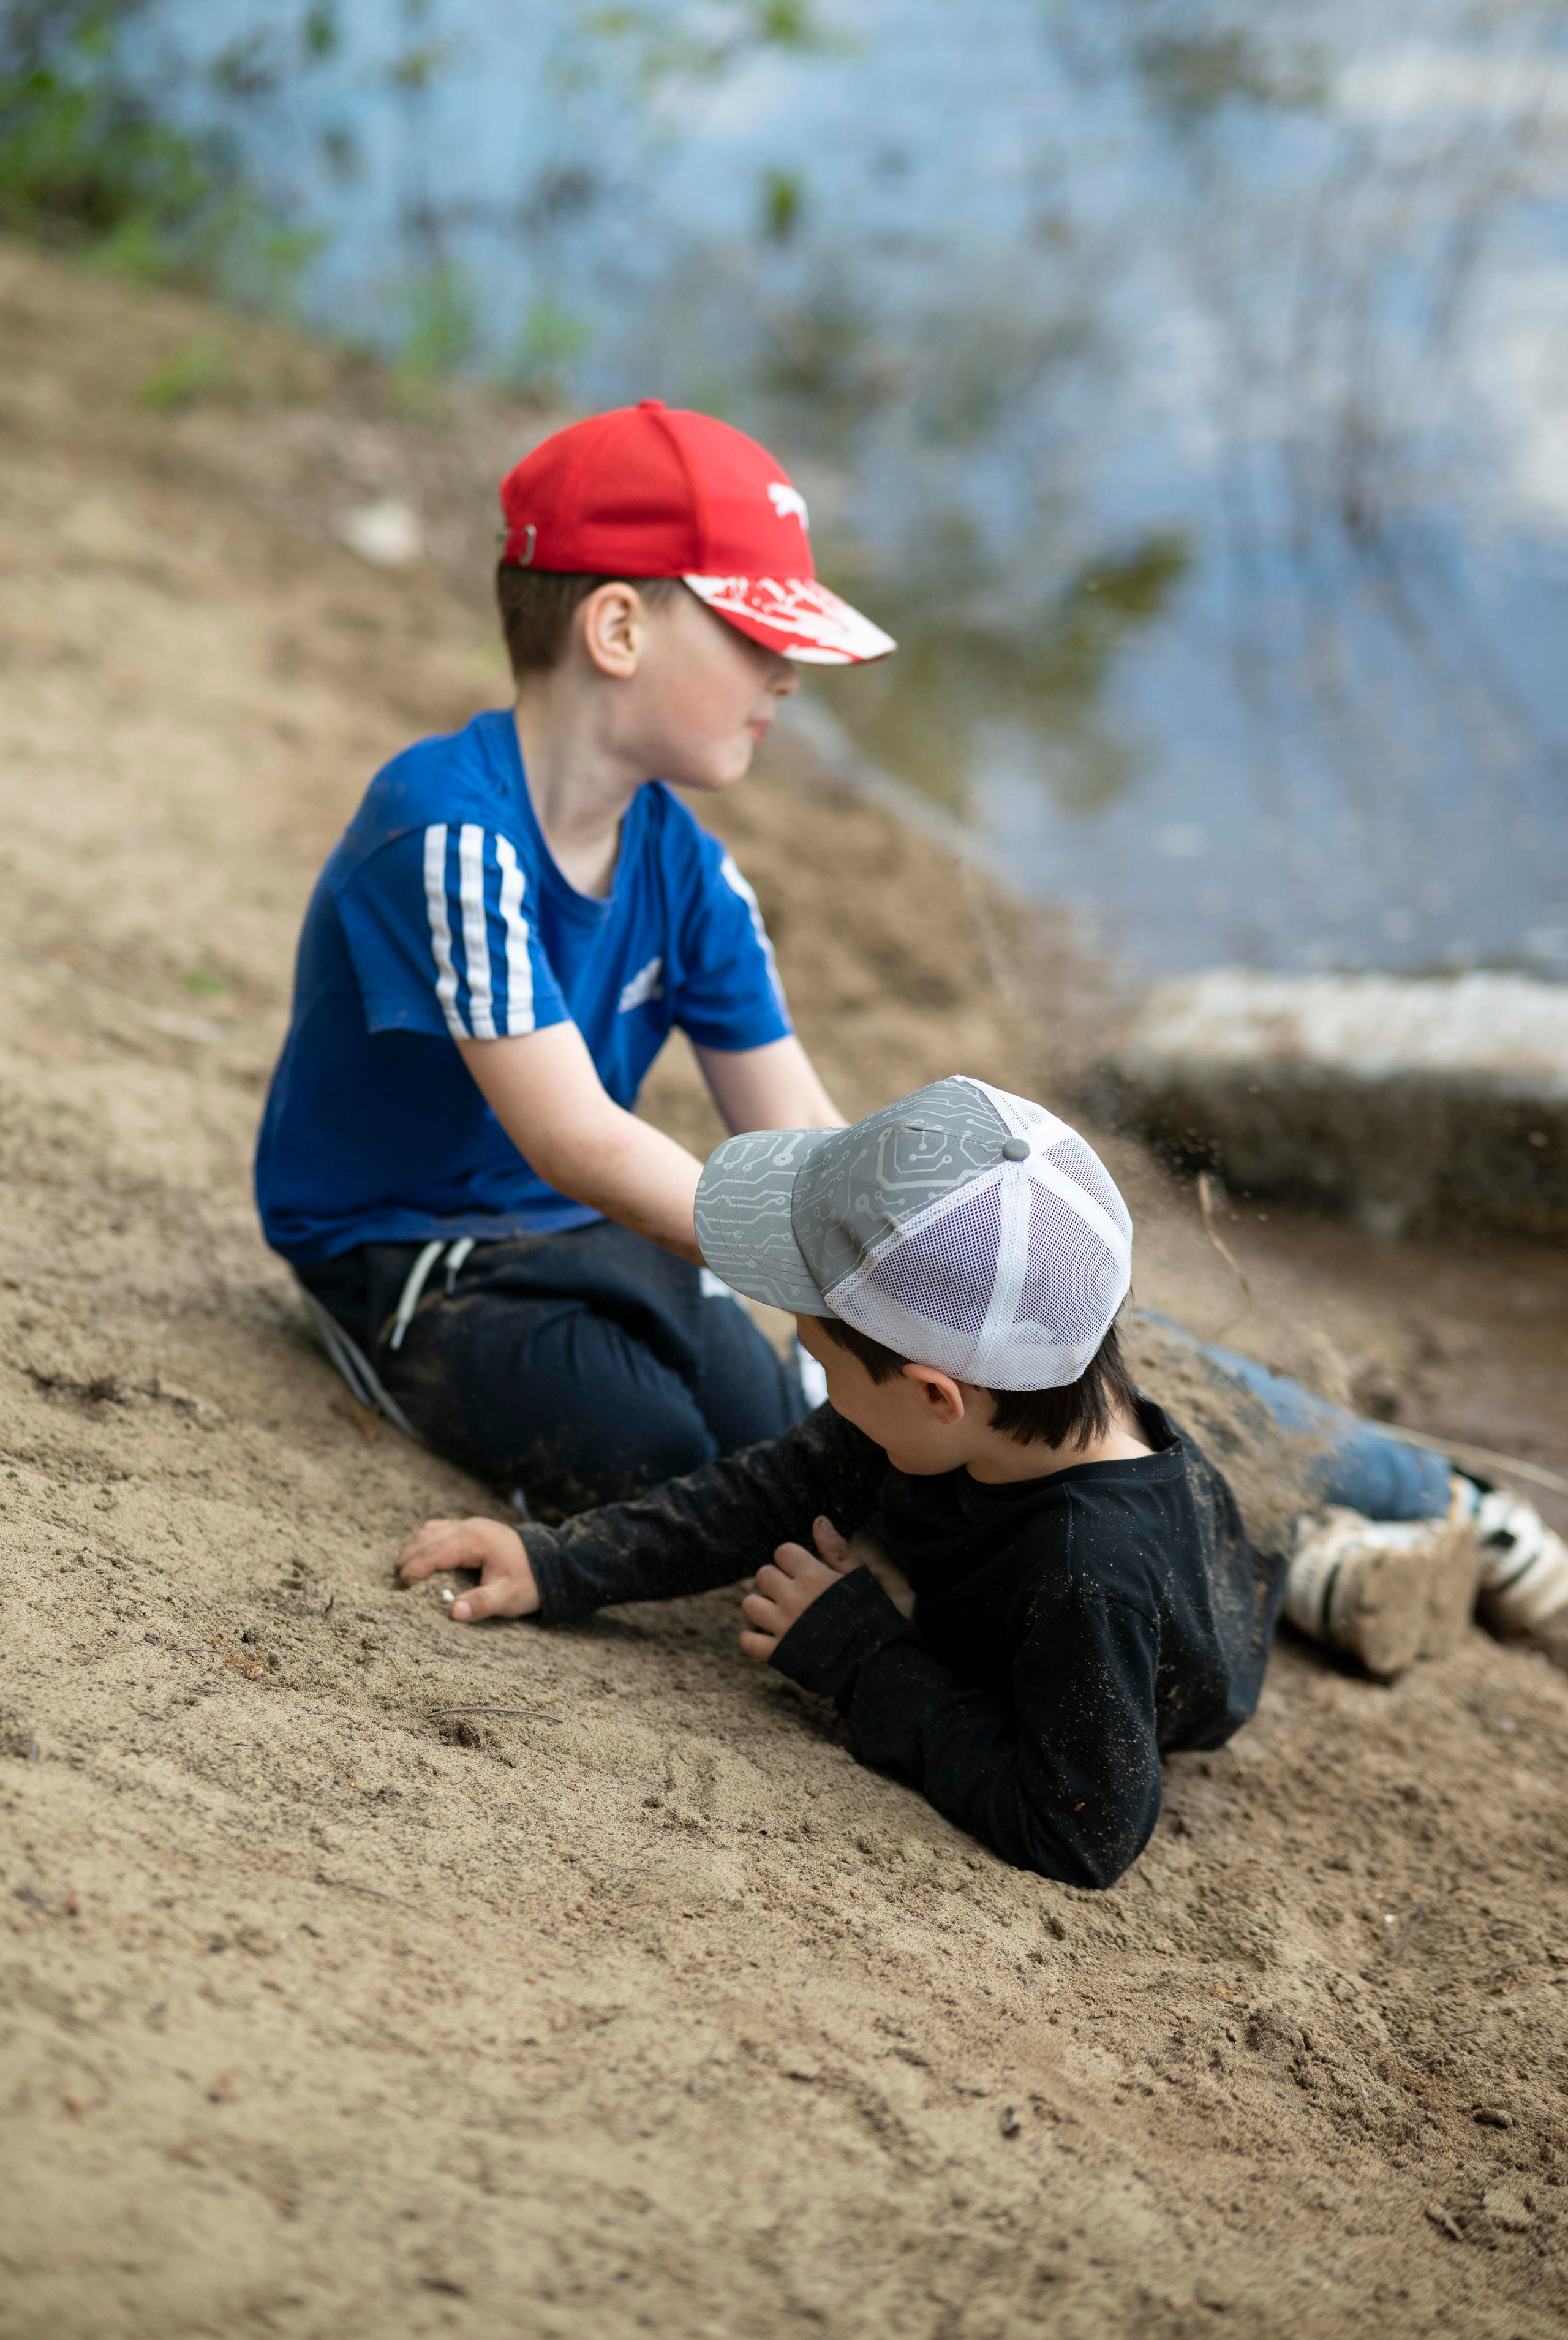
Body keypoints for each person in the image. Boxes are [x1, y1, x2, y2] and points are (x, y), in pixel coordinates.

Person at [397, 1076, 1568, 1889]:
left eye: (820, 1357)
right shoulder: (977, 1413)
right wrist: (558, 1565)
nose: (811, 1379)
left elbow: (1086, 1828)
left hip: (1143, 1649)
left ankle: (1310, 1564)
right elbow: (771, 1487)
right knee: (916, 1508)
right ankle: (1315, 1557)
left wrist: (861, 1654)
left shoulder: (1083, 1581)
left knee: (1149, 1594)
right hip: (1086, 1559)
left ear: (937, 1395)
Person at [254, 399, 895, 1515]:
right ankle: (356, 1330)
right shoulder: (449, 832)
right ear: (617, 630)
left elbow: (795, 1130)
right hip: (406, 1234)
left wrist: (883, 1268)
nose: (787, 677)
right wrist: (796, 1267)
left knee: (778, 1439)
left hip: (574, 1229)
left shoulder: (693, 873)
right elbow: (570, 1134)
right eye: (758, 636)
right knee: (643, 1452)